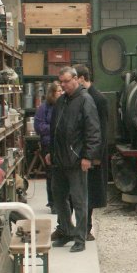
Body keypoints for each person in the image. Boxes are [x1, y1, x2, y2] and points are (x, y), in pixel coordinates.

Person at [47, 66, 101, 253]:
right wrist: (50, 152)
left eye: (67, 81)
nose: (63, 85)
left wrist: (88, 156)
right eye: (61, 82)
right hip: (59, 160)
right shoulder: (61, 101)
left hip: (77, 160)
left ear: (76, 79)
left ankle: (80, 237)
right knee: (58, 198)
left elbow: (93, 131)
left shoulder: (86, 100)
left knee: (79, 200)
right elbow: (54, 129)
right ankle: (67, 230)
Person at [74, 64, 109, 241]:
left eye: (74, 78)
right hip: (83, 152)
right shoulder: (81, 97)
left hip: (93, 155)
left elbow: (101, 130)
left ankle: (86, 229)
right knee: (82, 192)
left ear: (81, 78)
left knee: (89, 193)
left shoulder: (98, 99)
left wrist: (95, 156)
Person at [33, 82, 62, 210]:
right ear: (52, 93)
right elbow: (39, 127)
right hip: (48, 144)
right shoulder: (43, 108)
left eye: (62, 90)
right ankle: (53, 202)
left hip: (62, 144)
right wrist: (55, 128)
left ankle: (62, 201)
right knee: (51, 174)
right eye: (58, 91)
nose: (61, 93)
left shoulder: (64, 105)